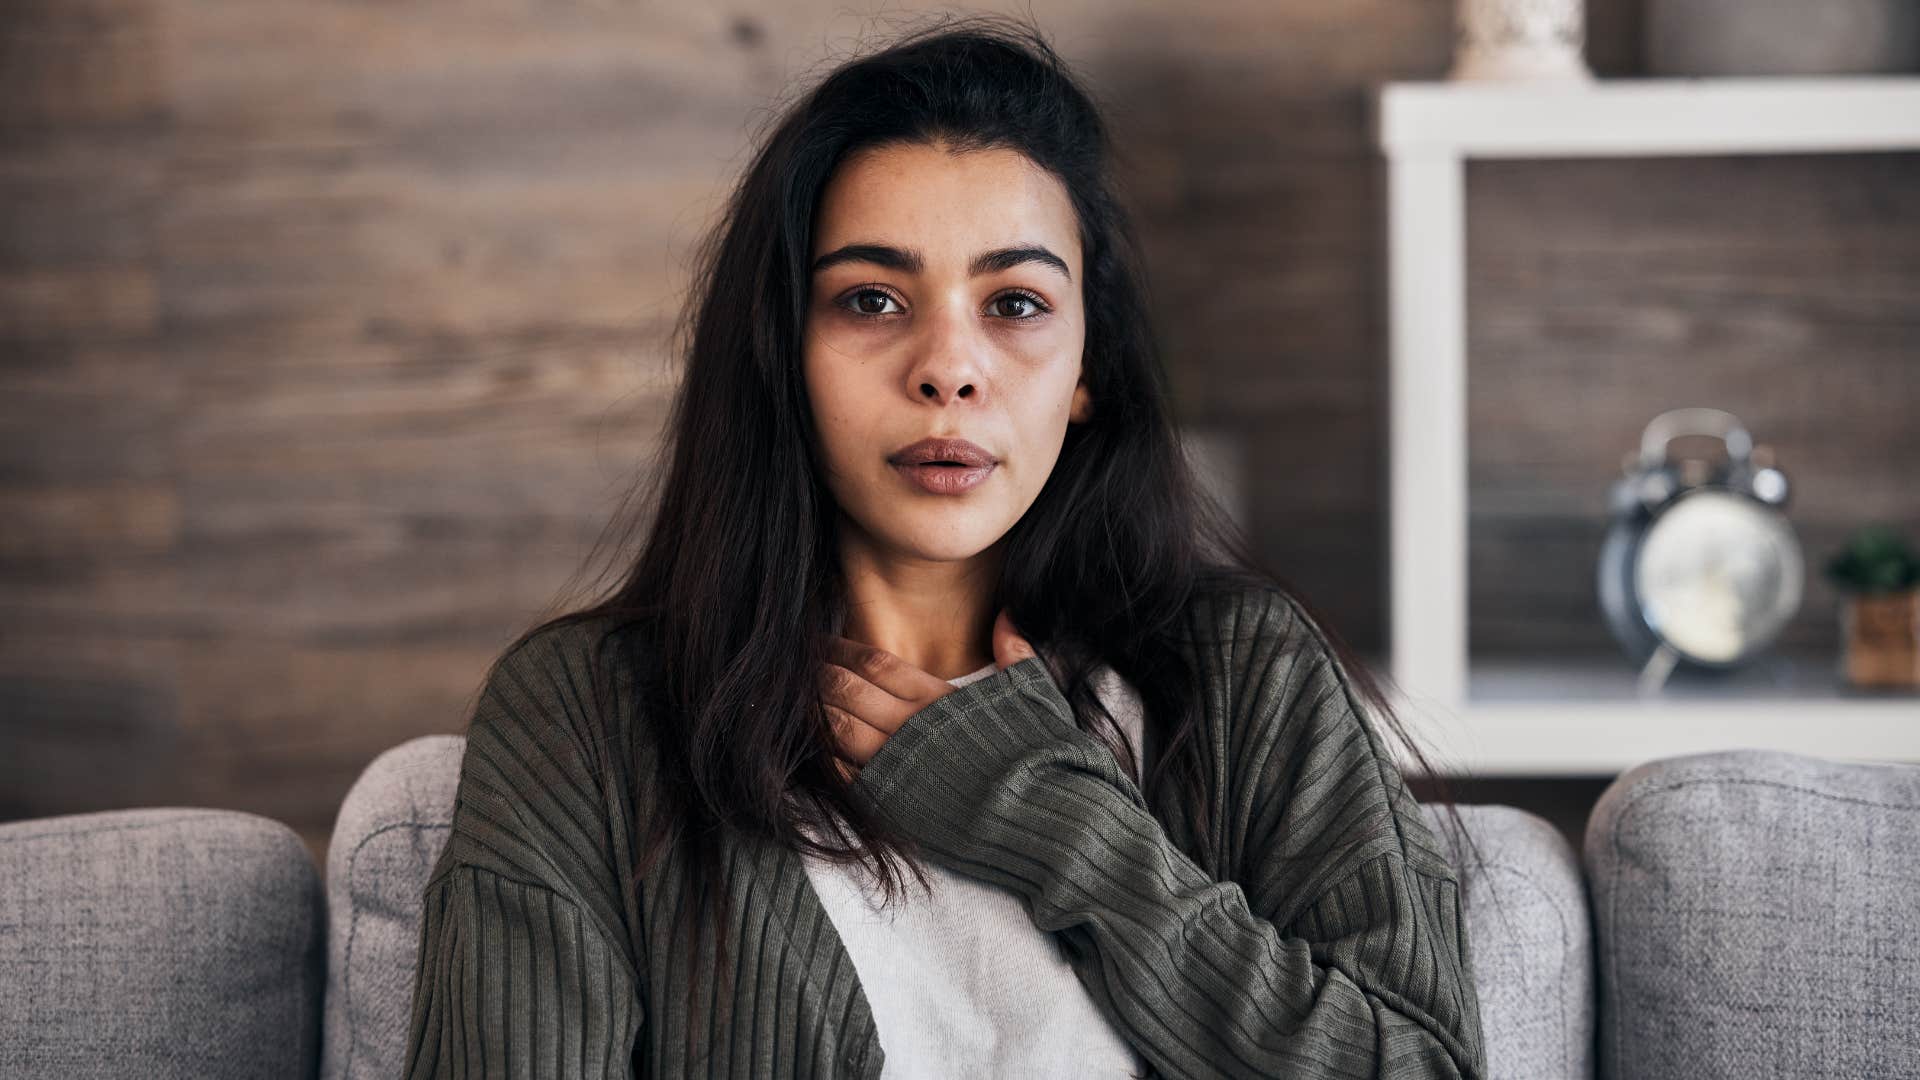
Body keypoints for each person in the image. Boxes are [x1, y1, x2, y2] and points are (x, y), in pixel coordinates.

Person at [402, 14, 1490, 1079]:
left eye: (1015, 302)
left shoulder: (1243, 672)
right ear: (782, 352)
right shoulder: (585, 717)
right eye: (872, 299)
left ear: (1084, 373)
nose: (948, 369)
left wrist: (1057, 825)